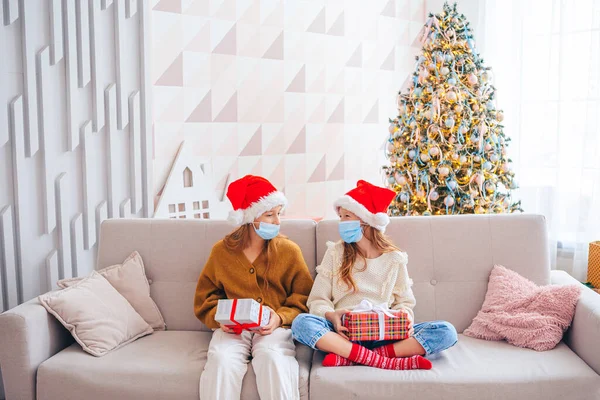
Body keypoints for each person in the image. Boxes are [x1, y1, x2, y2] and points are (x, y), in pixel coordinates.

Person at [291, 180, 457, 370]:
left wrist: (406, 316)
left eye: (347, 217)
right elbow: (317, 300)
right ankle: (384, 361)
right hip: (343, 334)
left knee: (446, 332)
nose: (341, 223)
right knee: (301, 323)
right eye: (341, 217)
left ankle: (355, 357)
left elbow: (405, 302)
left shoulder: (395, 259)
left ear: (367, 221)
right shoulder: (336, 252)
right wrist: (332, 315)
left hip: (384, 335)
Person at [194, 175, 314, 399]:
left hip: (274, 329)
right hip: (233, 329)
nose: (277, 221)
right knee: (221, 360)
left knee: (272, 357)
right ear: (249, 217)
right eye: (270, 215)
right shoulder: (221, 252)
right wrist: (220, 319)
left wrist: (280, 318)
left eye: (279, 213)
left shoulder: (289, 251)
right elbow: (205, 299)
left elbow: (304, 296)